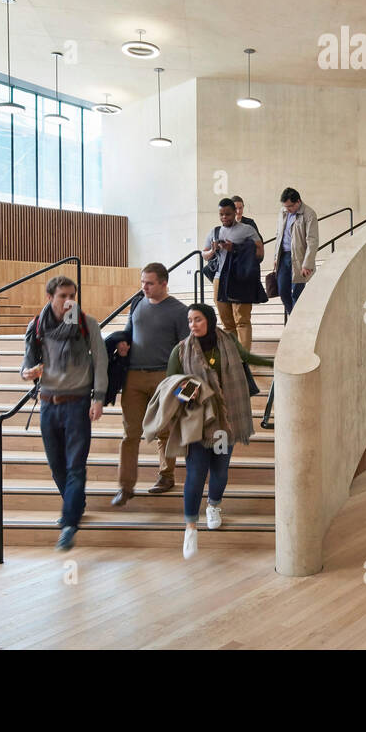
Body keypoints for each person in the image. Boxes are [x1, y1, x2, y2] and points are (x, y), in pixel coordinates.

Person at [167, 304, 274, 559]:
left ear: (210, 320)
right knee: (195, 474)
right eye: (190, 320)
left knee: (220, 471)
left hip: (226, 420)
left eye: (198, 320)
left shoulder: (227, 342)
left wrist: (273, 362)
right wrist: (187, 397)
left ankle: (214, 506)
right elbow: (171, 382)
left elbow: (247, 358)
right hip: (199, 421)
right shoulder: (181, 350)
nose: (193, 325)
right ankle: (190, 527)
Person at [20, 275, 107, 550]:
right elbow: (26, 365)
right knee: (57, 465)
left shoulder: (86, 323)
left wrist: (99, 398)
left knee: (75, 465)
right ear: (50, 298)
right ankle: (76, 503)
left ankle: (69, 523)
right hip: (47, 403)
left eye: (72, 295)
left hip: (78, 402)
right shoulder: (37, 326)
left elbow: (101, 362)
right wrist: (27, 373)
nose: (69, 301)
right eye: (63, 296)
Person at [111, 262, 188, 504]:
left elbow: (186, 349)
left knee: (165, 430)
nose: (144, 287)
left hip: (163, 376)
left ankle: (166, 476)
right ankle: (125, 487)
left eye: (150, 283)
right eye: (142, 282)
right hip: (133, 376)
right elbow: (128, 331)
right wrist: (122, 344)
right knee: (130, 433)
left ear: (164, 283)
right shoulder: (137, 303)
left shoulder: (178, 311)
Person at [203, 198, 264, 349]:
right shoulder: (215, 232)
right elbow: (204, 254)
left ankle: (245, 359)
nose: (224, 217)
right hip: (219, 279)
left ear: (235, 212)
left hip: (240, 279)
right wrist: (213, 250)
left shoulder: (247, 229)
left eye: (228, 214)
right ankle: (233, 356)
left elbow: (260, 253)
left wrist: (235, 248)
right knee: (227, 323)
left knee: (242, 321)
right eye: (221, 214)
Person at [272, 187, 318, 320]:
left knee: (297, 294)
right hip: (284, 256)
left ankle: (295, 323)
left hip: (300, 259)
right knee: (282, 291)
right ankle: (294, 319)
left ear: (298, 201)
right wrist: (276, 256)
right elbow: (278, 235)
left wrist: (307, 264)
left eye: (290, 206)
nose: (287, 209)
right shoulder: (283, 212)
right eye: (285, 206)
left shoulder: (309, 214)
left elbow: (312, 241)